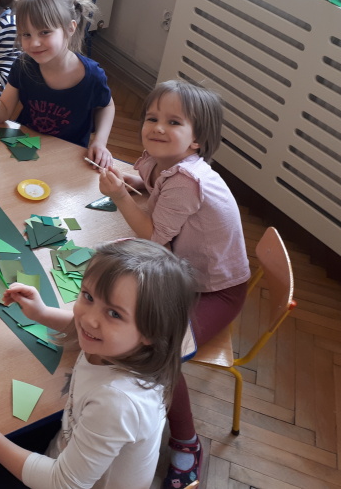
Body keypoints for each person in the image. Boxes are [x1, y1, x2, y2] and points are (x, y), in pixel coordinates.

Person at [97, 80, 252, 488]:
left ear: (197, 140)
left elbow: (153, 238)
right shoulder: (160, 160)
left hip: (217, 290)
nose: (157, 128)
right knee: (118, 309)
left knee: (162, 354)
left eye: (173, 122)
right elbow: (151, 188)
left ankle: (186, 441)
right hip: (182, 272)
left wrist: (120, 197)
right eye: (152, 118)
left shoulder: (186, 179)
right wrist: (128, 183)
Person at [0, 239, 196, 489]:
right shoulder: (119, 346)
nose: (89, 320)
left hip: (68, 480)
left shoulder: (116, 403)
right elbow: (81, 326)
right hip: (71, 447)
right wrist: (42, 313)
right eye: (88, 296)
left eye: (114, 313)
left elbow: (63, 484)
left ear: (152, 332)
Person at [0, 0, 115, 165]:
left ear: (70, 28)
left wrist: (100, 141)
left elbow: (106, 106)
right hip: (25, 148)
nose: (34, 43)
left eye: (45, 32)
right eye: (26, 34)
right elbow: (3, 113)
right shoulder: (22, 65)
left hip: (69, 157)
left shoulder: (92, 76)